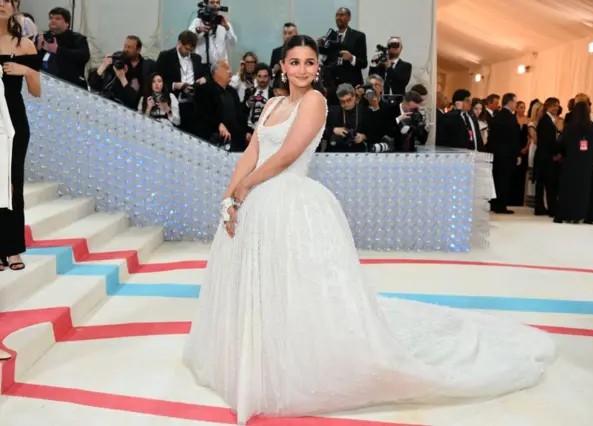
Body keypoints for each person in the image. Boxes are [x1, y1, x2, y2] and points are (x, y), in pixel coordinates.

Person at [184, 35, 555, 426]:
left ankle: (295, 361)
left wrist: (246, 187)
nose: (303, 69)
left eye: (310, 62)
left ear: (317, 68)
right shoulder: (274, 103)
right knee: (260, 284)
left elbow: (288, 154)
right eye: (295, 62)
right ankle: (256, 359)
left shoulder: (316, 102)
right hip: (258, 203)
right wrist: (229, 197)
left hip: (291, 203)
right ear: (283, 67)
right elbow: (253, 151)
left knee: (298, 286)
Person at [0, 0, 42, 274]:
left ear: (15, 6)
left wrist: (25, 70)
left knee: (13, 182)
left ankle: (12, 247)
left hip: (13, 120)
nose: (1, 4)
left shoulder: (25, 45)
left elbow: (36, 90)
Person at [554, 101, 593, 223]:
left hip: (570, 163)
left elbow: (562, 144)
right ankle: (584, 214)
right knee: (584, 190)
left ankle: (567, 214)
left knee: (569, 190)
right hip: (586, 163)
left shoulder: (570, 127)